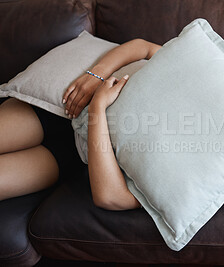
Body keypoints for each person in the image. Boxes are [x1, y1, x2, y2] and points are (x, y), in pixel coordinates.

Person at [0, 38, 162, 210]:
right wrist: (98, 74)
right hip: (55, 105)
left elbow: (112, 198)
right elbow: (144, 47)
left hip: (76, 153)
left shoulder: (189, 168)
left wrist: (98, 107)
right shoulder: (191, 71)